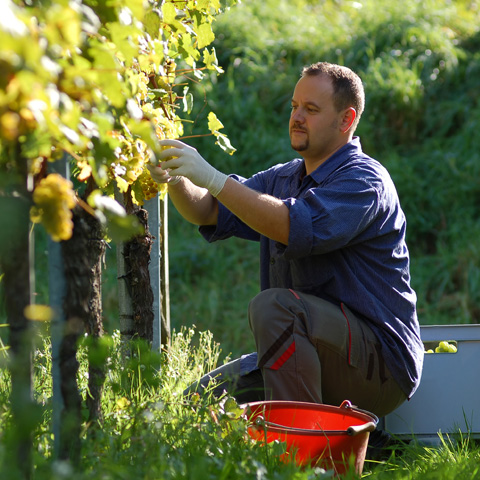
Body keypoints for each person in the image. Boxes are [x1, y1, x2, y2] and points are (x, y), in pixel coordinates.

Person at [147, 62, 424, 419]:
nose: (297, 117)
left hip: (380, 367)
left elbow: (294, 226)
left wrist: (214, 178)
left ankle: (304, 448)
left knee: (276, 307)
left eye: (311, 109)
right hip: (312, 346)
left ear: (346, 120)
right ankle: (311, 433)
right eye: (294, 106)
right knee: (195, 406)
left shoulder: (365, 180)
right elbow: (209, 210)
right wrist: (175, 175)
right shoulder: (284, 178)